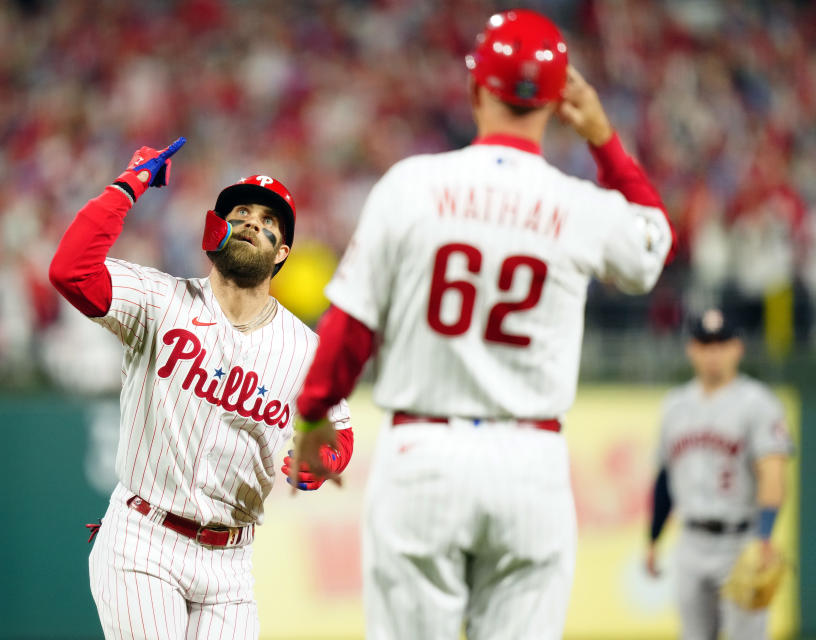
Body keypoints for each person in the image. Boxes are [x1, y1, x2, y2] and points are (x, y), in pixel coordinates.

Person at [287, 9, 675, 639]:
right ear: (558, 103)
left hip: (424, 454)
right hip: (531, 459)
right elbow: (656, 245)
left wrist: (311, 416)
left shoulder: (412, 186)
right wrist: (604, 140)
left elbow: (351, 327)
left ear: (475, 91)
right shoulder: (578, 206)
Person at [49, 138, 354, 639]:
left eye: (270, 220)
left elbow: (339, 434)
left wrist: (321, 462)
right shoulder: (159, 300)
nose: (254, 221)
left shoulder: (305, 349)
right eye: (242, 211)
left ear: (282, 253)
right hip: (144, 540)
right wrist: (129, 186)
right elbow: (71, 272)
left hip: (231, 565)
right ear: (217, 229)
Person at [646, 309, 792, 640]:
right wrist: (653, 539)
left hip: (741, 542)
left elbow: (773, 473)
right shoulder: (674, 405)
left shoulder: (759, 403)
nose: (713, 353)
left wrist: (765, 536)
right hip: (691, 542)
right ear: (691, 349)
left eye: (721, 344)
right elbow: (664, 479)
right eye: (704, 344)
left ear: (737, 348)